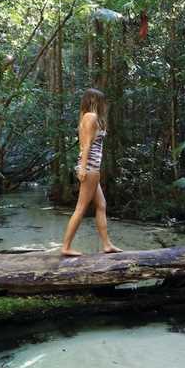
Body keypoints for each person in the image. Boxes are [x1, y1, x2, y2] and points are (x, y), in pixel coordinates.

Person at [60, 88, 122, 257]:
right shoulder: (91, 117)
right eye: (102, 101)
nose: (104, 104)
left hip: (91, 167)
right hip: (90, 168)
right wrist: (82, 168)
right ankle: (65, 246)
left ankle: (107, 244)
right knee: (80, 208)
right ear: (94, 100)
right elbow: (86, 145)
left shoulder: (89, 117)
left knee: (101, 205)